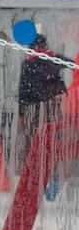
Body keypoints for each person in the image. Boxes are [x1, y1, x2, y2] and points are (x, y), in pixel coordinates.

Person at [16, 34, 67, 172]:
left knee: (35, 142)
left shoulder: (28, 63)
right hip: (51, 107)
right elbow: (71, 66)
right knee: (53, 141)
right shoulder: (53, 59)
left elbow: (23, 90)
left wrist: (21, 114)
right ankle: (51, 171)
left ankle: (37, 171)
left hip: (34, 109)